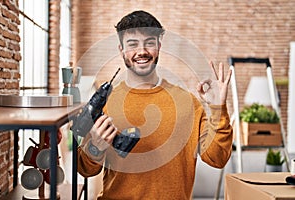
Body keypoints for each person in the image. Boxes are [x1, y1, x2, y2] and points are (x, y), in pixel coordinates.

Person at [77, 10, 233, 199]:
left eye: (149, 43)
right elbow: (84, 169)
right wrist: (95, 146)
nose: (141, 51)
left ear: (159, 46)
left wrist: (218, 109)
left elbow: (218, 158)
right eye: (132, 44)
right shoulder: (105, 103)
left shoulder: (187, 103)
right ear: (121, 50)